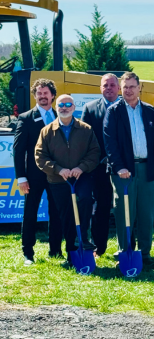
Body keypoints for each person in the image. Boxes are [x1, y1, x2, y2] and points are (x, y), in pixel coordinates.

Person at [103, 72, 154, 265]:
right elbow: (110, 143)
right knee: (124, 212)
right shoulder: (113, 112)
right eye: (125, 87)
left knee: (147, 212)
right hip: (124, 172)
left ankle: (145, 253)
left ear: (139, 88)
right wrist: (119, 167)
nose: (128, 90)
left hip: (147, 169)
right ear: (121, 89)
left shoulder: (150, 111)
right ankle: (125, 250)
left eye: (132, 86)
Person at [34, 94, 100, 265]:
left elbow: (94, 152)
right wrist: (58, 169)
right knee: (67, 216)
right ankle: (72, 253)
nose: (64, 107)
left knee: (85, 200)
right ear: (57, 107)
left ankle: (83, 238)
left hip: (81, 177)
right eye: (61, 104)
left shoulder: (85, 129)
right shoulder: (47, 131)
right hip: (58, 180)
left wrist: (82, 168)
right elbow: (40, 156)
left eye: (68, 104)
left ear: (73, 107)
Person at [13, 78, 63, 266]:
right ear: (34, 96)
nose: (42, 97)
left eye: (46, 93)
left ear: (52, 95)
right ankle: (28, 253)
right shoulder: (26, 118)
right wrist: (21, 177)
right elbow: (18, 150)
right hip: (33, 176)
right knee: (30, 212)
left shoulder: (61, 116)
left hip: (57, 175)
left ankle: (56, 251)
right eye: (39, 94)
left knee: (57, 212)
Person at [81, 73, 121, 257]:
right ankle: (99, 246)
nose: (109, 88)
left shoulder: (127, 108)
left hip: (123, 167)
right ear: (100, 88)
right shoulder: (90, 109)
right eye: (106, 85)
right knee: (101, 207)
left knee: (125, 207)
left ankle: (127, 247)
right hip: (99, 167)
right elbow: (85, 139)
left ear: (118, 88)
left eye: (113, 85)